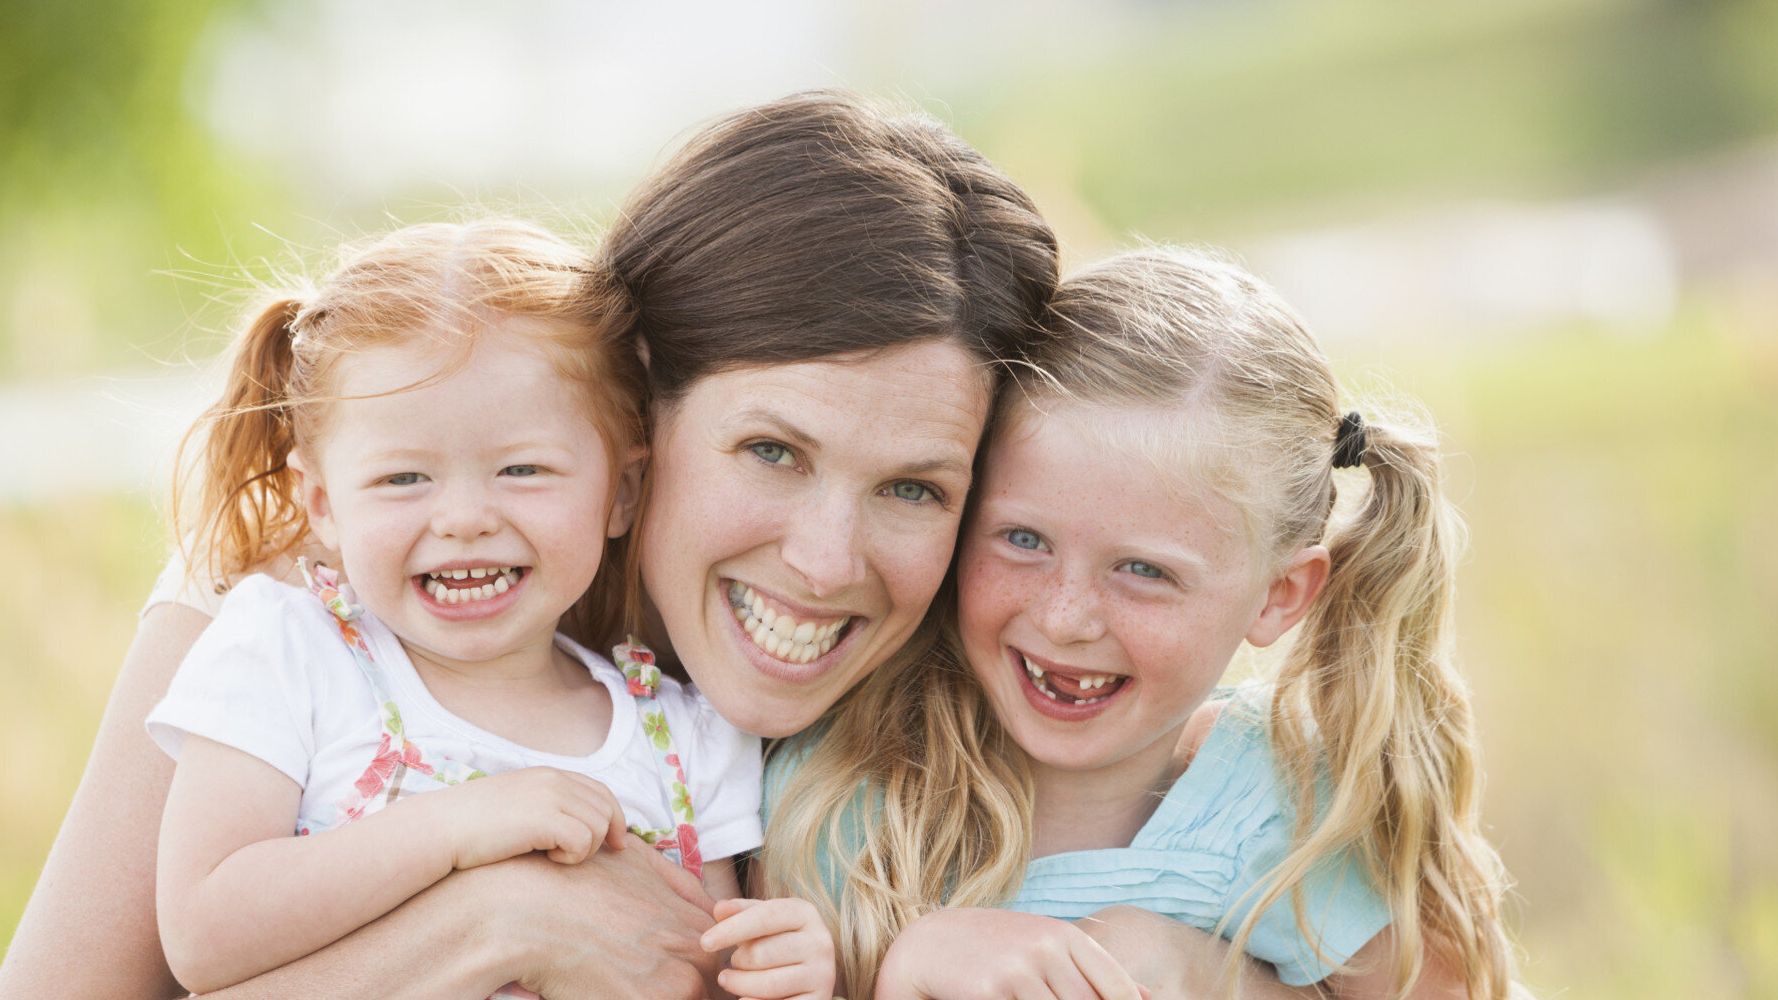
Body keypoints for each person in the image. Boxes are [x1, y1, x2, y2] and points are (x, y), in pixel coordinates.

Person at [0, 92, 1063, 998]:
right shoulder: (306, 602)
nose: (828, 561)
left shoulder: (977, 718)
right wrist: (496, 920)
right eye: (771, 450)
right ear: (633, 417)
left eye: (913, 488)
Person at [761, 248, 1525, 999]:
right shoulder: (837, 792)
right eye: (1024, 540)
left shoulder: (1301, 822)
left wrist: (1207, 979)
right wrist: (910, 969)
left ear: (1280, 595)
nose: (1064, 619)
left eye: (1145, 572)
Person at [138, 217, 846, 1000]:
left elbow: (694, 968)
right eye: (404, 479)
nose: (463, 518)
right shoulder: (290, 655)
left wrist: (779, 968)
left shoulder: (685, 737)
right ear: (322, 504)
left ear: (623, 491)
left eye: (522, 468)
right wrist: (460, 828)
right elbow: (203, 937)